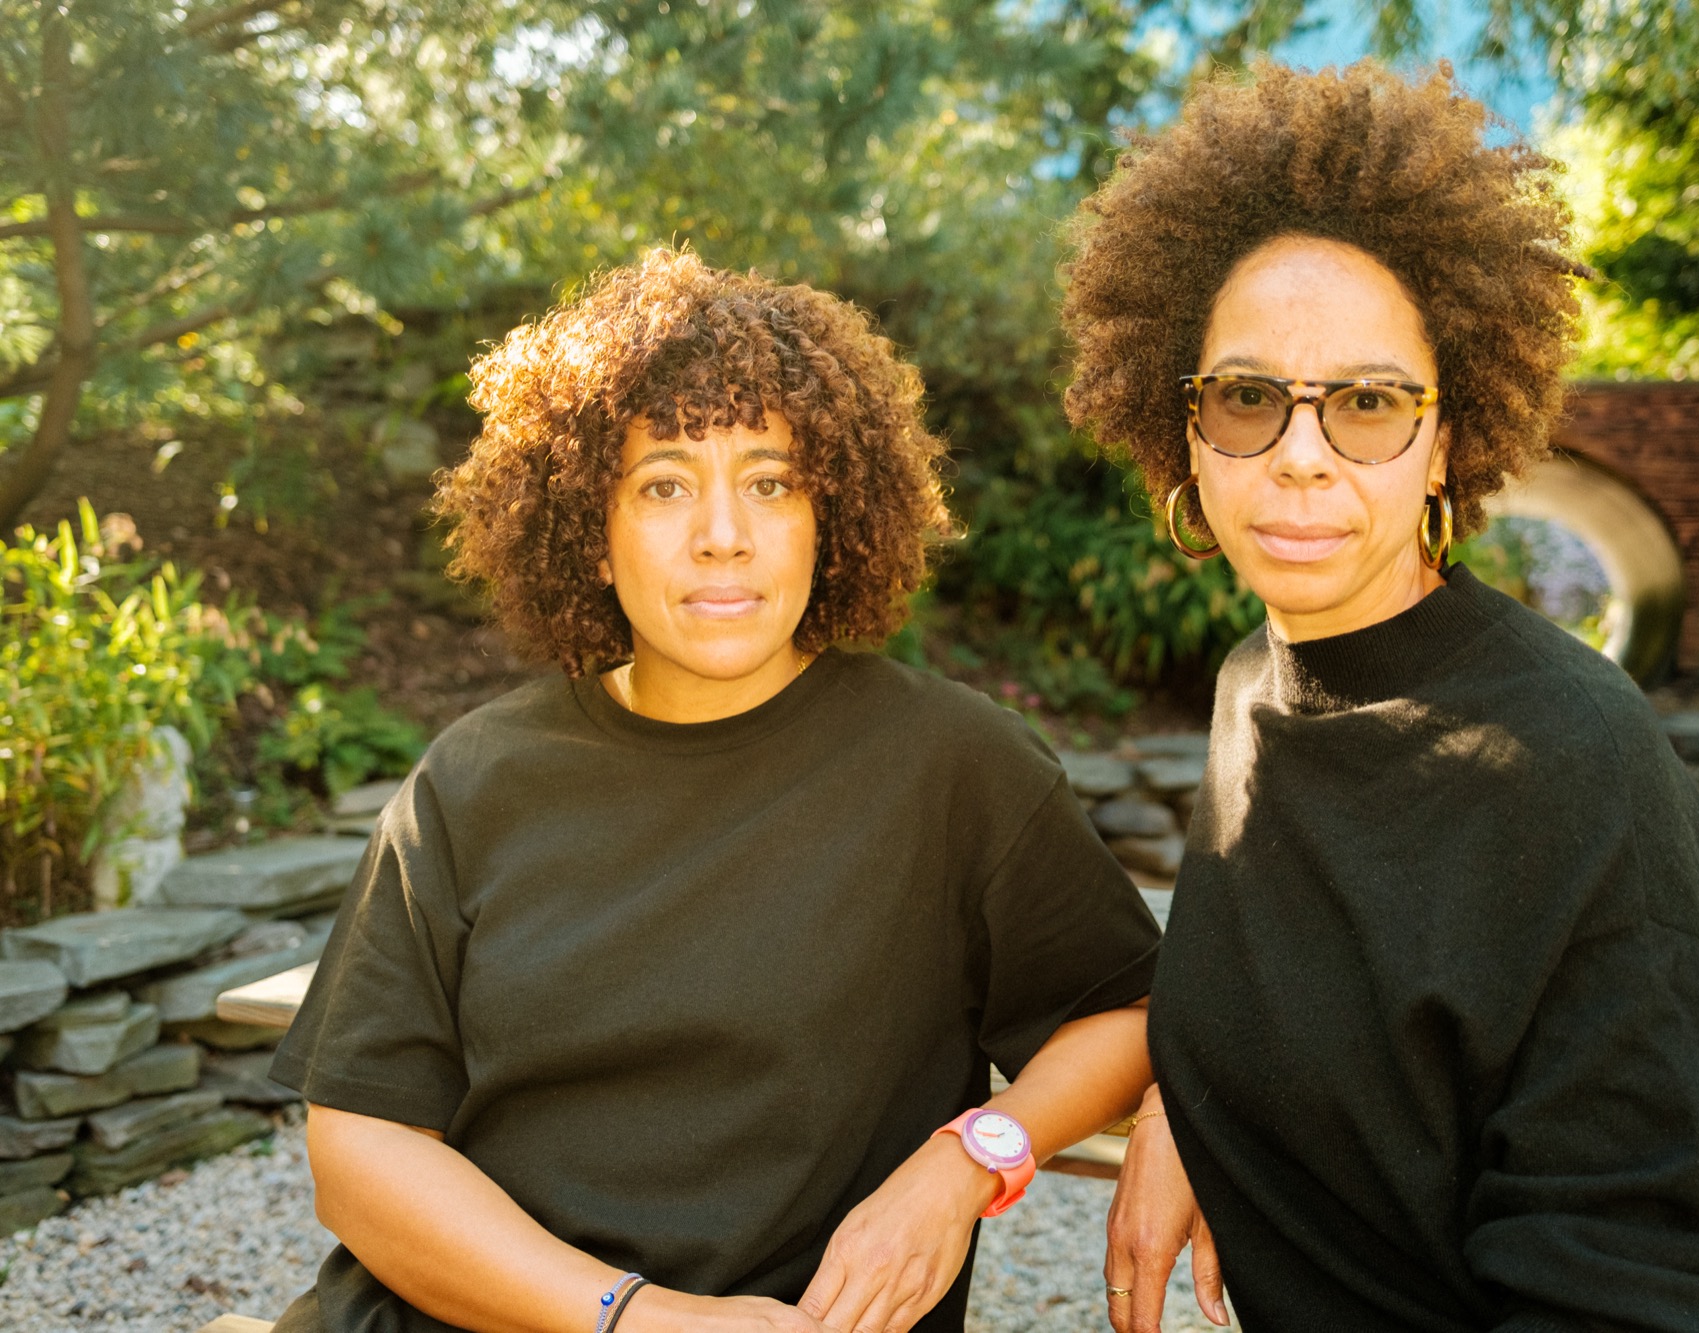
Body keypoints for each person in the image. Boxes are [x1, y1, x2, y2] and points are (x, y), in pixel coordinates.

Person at [268, 249, 1161, 1333]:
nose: (722, 534)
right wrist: (637, 1320)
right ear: (588, 535)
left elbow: (1126, 1009)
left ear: (829, 514)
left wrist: (969, 1158)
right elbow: (358, 1150)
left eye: (770, 481)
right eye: (663, 484)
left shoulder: (950, 766)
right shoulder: (470, 781)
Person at [1061, 62, 1699, 1333]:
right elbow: (1302, 986)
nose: (1299, 458)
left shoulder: (1576, 765)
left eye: (1370, 403)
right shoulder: (1249, 693)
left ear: (1446, 437)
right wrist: (1186, 1096)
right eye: (1246, 397)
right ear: (1184, 430)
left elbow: (1611, 1288)